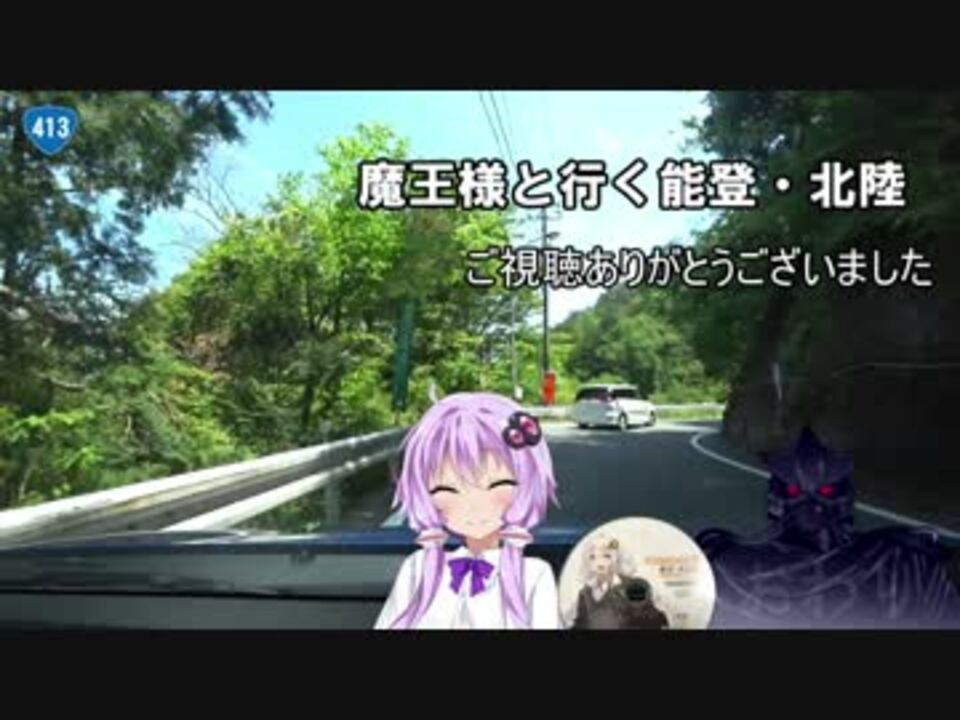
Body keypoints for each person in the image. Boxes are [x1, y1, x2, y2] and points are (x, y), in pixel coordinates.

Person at [375, 392, 561, 630]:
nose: (474, 505)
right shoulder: (417, 568)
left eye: (497, 485)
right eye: (448, 489)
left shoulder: (534, 575)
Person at [569, 534, 669, 630]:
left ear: (618, 558)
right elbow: (581, 624)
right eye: (592, 557)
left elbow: (652, 620)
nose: (599, 562)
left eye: (607, 556)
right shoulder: (584, 593)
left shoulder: (631, 586)